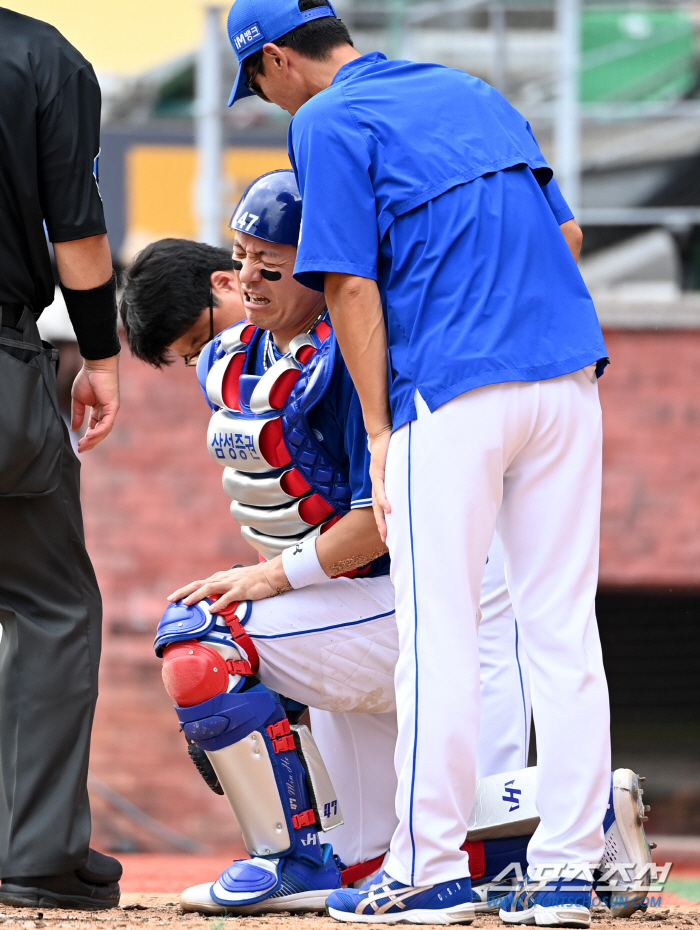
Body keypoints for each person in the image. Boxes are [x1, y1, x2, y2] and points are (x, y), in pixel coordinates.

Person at [120, 173, 650, 921]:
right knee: (376, 861)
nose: (249, 280)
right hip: (367, 596)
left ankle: (294, 858)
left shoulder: (357, 347)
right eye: (243, 257)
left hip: (438, 598)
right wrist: (274, 686)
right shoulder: (258, 363)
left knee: (206, 640)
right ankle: (593, 833)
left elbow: (376, 520)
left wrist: (271, 610)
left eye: (265, 262)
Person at [224, 2, 612, 925]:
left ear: (278, 58)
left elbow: (349, 282)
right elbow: (568, 240)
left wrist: (380, 426)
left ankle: (425, 869)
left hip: (453, 389)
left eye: (260, 82)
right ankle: (563, 869)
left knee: (436, 639)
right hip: (565, 375)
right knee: (558, 630)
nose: (268, 99)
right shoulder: (469, 88)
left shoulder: (323, 118)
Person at [0, 8, 122, 911]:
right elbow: (74, 233)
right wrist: (101, 356)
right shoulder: (41, 55)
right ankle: (35, 851)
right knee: (50, 605)